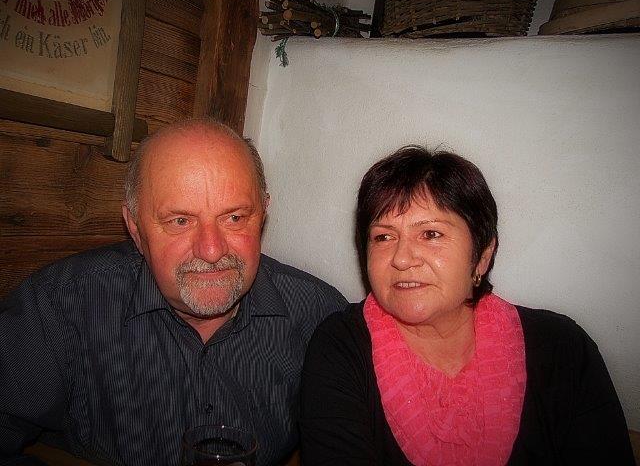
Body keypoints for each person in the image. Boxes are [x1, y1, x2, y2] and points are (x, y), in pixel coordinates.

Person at [0, 118, 348, 466]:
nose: (211, 250)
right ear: (135, 229)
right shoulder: (59, 306)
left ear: (263, 214)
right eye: (180, 221)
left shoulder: (319, 316)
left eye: (235, 218)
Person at [300, 146, 635, 465]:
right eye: (383, 237)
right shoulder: (341, 347)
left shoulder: (562, 349)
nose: (401, 258)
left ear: (482, 256)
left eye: (430, 234)